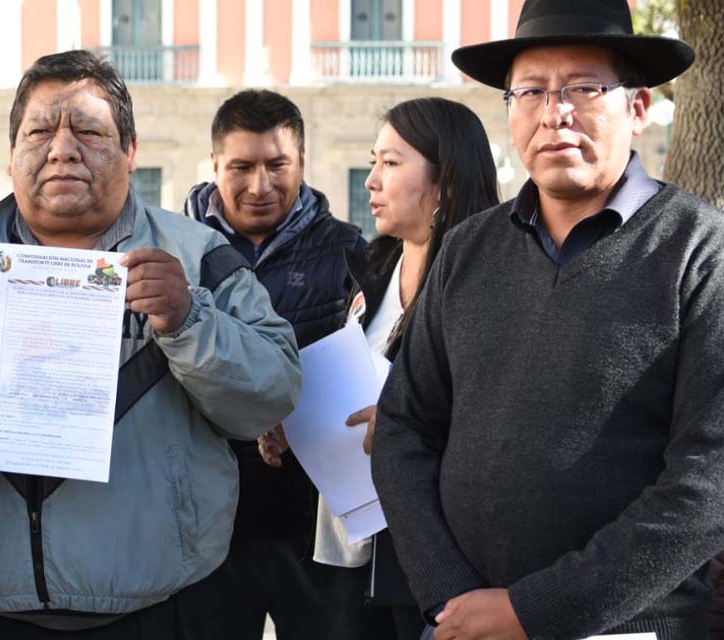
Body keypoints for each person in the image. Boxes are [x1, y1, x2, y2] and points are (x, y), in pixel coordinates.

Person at [0, 50, 302, 639]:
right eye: (39, 132)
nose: (61, 149)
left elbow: (273, 393)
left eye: (88, 131)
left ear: (130, 151)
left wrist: (189, 319)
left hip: (164, 612)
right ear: (12, 156)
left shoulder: (198, 258)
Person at [372, 0, 724, 637]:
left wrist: (533, 613)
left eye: (584, 88)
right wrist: (450, 596)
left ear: (638, 108)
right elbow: (402, 429)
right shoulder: (467, 248)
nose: (554, 113)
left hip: (631, 625)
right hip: (463, 622)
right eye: (530, 91)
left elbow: (710, 479)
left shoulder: (699, 250)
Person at [298, 97, 497, 640]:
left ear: (445, 181)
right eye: (372, 161)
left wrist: (411, 427)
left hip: (439, 550)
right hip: (354, 539)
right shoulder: (371, 270)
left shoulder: (492, 279)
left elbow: (504, 409)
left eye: (390, 163)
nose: (371, 181)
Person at [181, 89, 373, 639]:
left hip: (313, 523)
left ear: (303, 164)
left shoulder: (349, 251)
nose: (260, 186)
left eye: (277, 165)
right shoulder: (174, 250)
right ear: (214, 163)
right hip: (203, 524)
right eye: (241, 167)